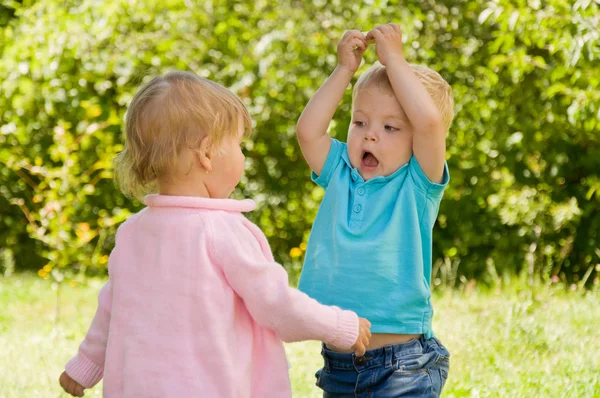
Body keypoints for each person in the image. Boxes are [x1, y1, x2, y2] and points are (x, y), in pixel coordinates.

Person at [58, 71, 372, 398]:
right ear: (207, 153)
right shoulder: (221, 231)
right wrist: (340, 326)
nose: (242, 155)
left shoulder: (132, 233)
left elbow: (111, 308)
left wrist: (85, 366)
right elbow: (276, 304)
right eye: (237, 143)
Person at [296, 24, 454, 397]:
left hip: (403, 366)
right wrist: (343, 71)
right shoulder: (339, 173)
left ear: (417, 143)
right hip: (338, 365)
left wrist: (394, 61)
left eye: (390, 127)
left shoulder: (416, 186)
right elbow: (307, 132)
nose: (369, 135)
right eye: (360, 122)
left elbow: (430, 124)